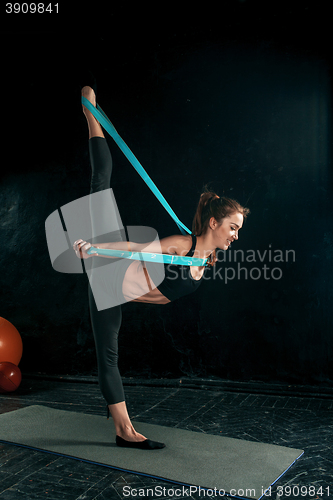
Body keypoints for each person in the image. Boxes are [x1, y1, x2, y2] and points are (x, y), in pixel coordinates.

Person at [73, 85, 250, 450]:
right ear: (214, 224)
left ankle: (122, 430)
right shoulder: (182, 245)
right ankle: (92, 115)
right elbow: (136, 249)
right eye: (233, 228)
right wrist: (94, 247)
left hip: (116, 293)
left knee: (110, 354)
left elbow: (158, 292)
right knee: (101, 182)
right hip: (106, 271)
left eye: (239, 230)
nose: (236, 236)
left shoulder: (208, 259)